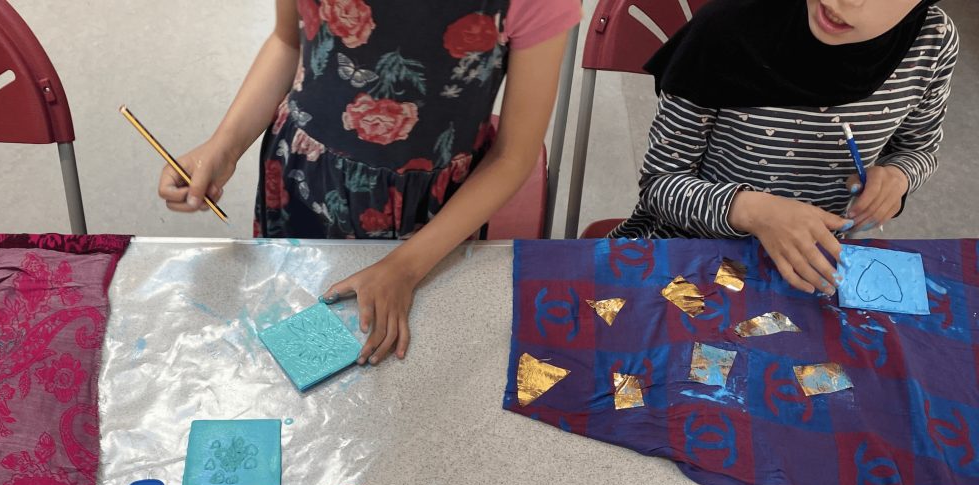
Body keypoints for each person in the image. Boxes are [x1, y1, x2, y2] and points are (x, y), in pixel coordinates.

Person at [158, 0, 580, 364]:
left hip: (431, 219)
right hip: (303, 182)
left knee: (402, 369)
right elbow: (289, 42)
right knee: (296, 338)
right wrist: (225, 146)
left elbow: (513, 156)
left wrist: (406, 267)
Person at [610, 0, 958, 296]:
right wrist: (754, 212)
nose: (844, 2)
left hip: (818, 266)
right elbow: (659, 184)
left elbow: (919, 148)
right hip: (694, 254)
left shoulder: (932, 42)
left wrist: (898, 177)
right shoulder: (724, 29)